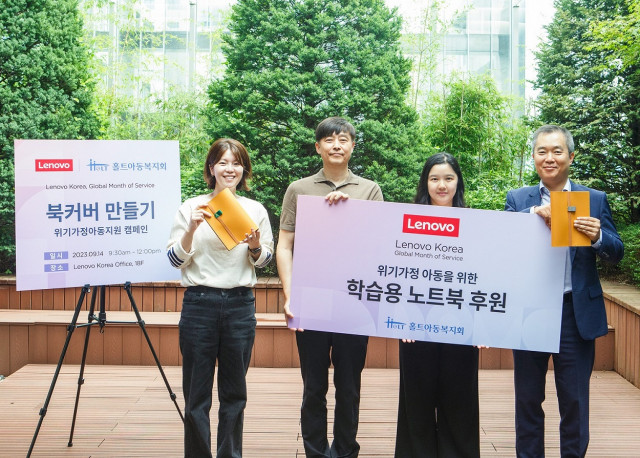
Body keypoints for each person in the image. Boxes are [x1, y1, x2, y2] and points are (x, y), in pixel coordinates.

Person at [505, 125, 623, 457]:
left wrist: (598, 236)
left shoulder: (593, 200)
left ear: (570, 157)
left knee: (574, 401)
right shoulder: (518, 199)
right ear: (533, 157)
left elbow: (616, 252)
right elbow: (502, 242)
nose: (549, 158)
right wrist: (533, 216)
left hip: (574, 311)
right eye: (542, 151)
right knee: (528, 398)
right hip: (530, 311)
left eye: (557, 151)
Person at [277, 116, 383, 457]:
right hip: (311, 299)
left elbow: (378, 243)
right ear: (318, 147)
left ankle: (345, 451)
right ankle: (316, 452)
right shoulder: (298, 188)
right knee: (314, 386)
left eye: (343, 139)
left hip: (355, 300)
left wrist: (351, 211)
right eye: (329, 140)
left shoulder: (369, 190)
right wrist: (290, 296)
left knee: (349, 386)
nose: (336, 145)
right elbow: (284, 245)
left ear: (353, 146)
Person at [166, 138, 274, 458]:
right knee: (196, 394)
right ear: (211, 168)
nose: (230, 169)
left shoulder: (254, 210)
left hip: (240, 305)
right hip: (199, 303)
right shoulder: (192, 207)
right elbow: (174, 260)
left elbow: (264, 260)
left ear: (244, 170)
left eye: (236, 163)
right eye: (223, 163)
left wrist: (254, 246)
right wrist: (191, 229)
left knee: (234, 393)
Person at [394, 152, 480, 458]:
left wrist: (483, 323)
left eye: (448, 178)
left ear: (458, 182)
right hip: (416, 322)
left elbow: (485, 276)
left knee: (460, 401)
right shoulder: (408, 221)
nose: (441, 185)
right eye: (434, 179)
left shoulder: (476, 223)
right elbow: (396, 270)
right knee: (415, 402)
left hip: (461, 323)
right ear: (425, 182)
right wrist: (401, 315)